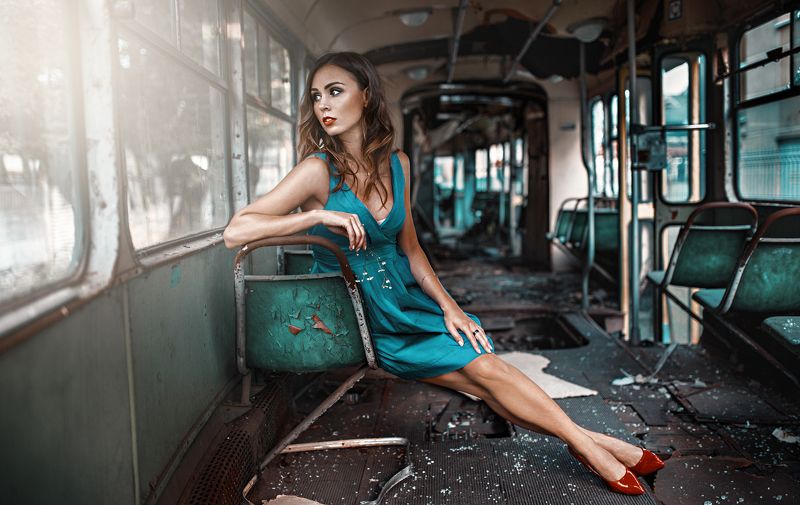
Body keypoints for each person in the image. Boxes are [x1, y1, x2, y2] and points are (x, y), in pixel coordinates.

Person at [223, 52, 663, 496]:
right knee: (488, 374)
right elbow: (236, 230)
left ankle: (589, 444)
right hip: (362, 314)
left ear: (367, 95)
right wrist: (316, 219)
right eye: (317, 96)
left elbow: (411, 248)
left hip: (409, 300)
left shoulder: (398, 163)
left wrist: (452, 308)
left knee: (487, 373)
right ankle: (594, 446)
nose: (323, 105)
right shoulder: (316, 171)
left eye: (335, 92)